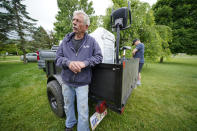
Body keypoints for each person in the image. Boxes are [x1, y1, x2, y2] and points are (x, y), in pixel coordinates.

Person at [55, 10, 103, 131]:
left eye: (78, 21)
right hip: (67, 81)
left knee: (83, 109)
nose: (74, 23)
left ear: (86, 26)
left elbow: (98, 57)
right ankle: (70, 123)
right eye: (73, 20)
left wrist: (84, 63)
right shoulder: (65, 40)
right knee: (68, 105)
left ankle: (83, 129)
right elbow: (58, 58)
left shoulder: (91, 41)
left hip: (82, 82)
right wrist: (68, 63)